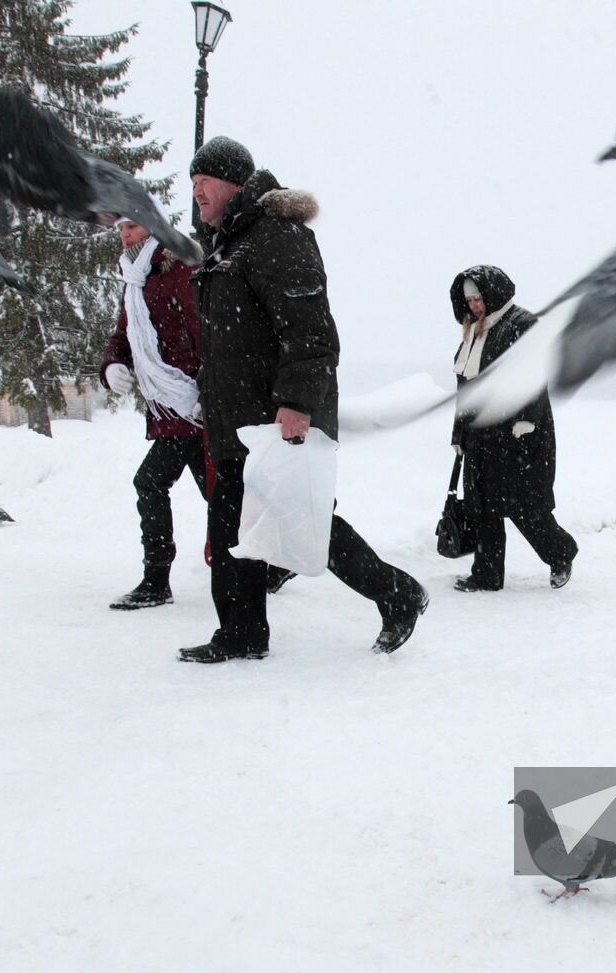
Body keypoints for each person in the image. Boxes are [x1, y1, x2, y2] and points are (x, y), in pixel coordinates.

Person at [180, 136, 428, 663]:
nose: (196, 192)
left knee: (305, 523)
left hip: (276, 419)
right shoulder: (225, 244)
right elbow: (228, 340)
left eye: (205, 182)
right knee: (232, 527)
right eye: (193, 183)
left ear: (234, 182)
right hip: (237, 418)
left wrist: (296, 403)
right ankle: (242, 633)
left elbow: (310, 330)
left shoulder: (276, 236)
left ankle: (398, 593)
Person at [99, 211, 208, 609]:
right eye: (121, 229)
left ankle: (156, 580)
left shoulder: (179, 267)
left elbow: (202, 328)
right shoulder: (136, 276)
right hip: (168, 405)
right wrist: (112, 363)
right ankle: (267, 561)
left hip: (189, 401)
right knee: (220, 493)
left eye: (132, 226)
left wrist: (206, 387)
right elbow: (125, 332)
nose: (126, 236)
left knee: (150, 482)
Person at [449, 265, 578, 591]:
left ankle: (561, 553)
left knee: (525, 507)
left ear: (494, 293)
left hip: (517, 435)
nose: (475, 305)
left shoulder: (521, 323)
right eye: (470, 300)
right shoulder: (474, 332)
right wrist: (459, 435)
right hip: (481, 434)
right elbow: (465, 390)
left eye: (479, 298)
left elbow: (536, 373)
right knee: (482, 508)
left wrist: (527, 420)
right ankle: (487, 575)